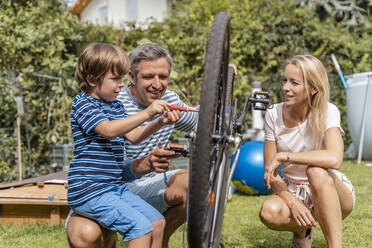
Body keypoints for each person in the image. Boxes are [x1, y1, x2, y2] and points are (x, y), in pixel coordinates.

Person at [66, 43, 198, 248]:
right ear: (92, 80)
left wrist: (159, 122)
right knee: (140, 229)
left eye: (120, 79)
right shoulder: (83, 104)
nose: (120, 84)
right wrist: (147, 113)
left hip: (114, 187)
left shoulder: (114, 105)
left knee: (156, 223)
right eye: (115, 79)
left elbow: (134, 136)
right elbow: (109, 130)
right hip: (91, 189)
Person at [259, 55, 355, 248]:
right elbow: (271, 174)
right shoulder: (272, 114)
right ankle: (303, 230)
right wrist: (293, 202)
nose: (286, 87)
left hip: (330, 189)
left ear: (313, 88)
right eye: (285, 80)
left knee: (315, 171)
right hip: (293, 189)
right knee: (268, 212)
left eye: (294, 83)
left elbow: (335, 158)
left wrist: (286, 156)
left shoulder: (329, 111)